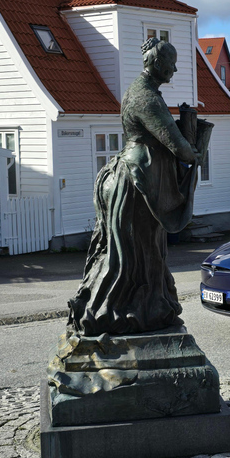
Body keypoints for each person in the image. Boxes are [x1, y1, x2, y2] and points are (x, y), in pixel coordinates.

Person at [68, 38, 209, 336]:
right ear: (157, 64)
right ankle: (123, 311)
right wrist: (195, 153)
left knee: (134, 248)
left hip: (134, 170)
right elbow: (175, 143)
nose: (174, 69)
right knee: (137, 250)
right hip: (139, 179)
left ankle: (146, 306)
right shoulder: (147, 98)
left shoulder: (138, 90)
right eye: (171, 63)